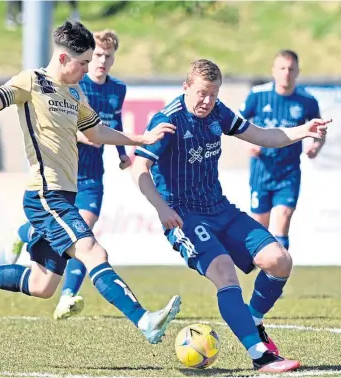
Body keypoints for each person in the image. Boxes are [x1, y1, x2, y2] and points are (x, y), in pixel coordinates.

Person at [0, 21, 181, 345]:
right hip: (45, 194)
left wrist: (141, 138)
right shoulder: (31, 82)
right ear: (64, 59)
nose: (87, 69)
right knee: (93, 251)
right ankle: (144, 320)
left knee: (41, 285)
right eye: (83, 63)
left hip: (64, 194)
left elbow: (97, 132)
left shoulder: (73, 92)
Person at [131, 59, 330, 372]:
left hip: (220, 208)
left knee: (279, 260)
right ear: (185, 87)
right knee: (225, 272)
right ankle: (259, 355)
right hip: (184, 215)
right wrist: (161, 207)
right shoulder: (167, 120)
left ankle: (250, 320)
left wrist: (302, 131)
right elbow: (138, 168)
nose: (207, 101)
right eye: (201, 93)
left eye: (213, 94)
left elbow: (263, 136)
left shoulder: (219, 112)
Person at [0, 29, 131, 321]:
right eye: (96, 56)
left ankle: (68, 294)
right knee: (80, 237)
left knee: (85, 232)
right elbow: (70, 124)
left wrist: (123, 155)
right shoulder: (75, 84)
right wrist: (83, 136)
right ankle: (26, 233)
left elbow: (113, 121)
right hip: (64, 174)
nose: (101, 62)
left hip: (93, 176)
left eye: (108, 56)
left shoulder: (117, 89)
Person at [239, 50, 323, 251]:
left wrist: (316, 146)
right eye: (282, 68)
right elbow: (237, 123)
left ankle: (278, 271)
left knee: (284, 217)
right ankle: (263, 264)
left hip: (289, 171)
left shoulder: (307, 101)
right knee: (260, 224)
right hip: (262, 170)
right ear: (273, 71)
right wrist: (248, 143)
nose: (286, 73)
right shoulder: (258, 96)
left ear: (297, 72)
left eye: (291, 69)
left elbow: (319, 131)